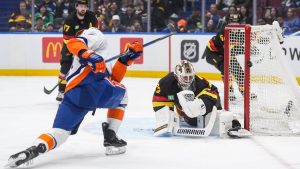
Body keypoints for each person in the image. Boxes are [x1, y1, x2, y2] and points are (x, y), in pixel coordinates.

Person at [5, 27, 143, 168]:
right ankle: (110, 136)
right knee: (123, 95)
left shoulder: (96, 54)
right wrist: (89, 54)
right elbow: (73, 42)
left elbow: (112, 79)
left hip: (72, 95)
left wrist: (124, 61)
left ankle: (33, 150)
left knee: (60, 133)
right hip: (90, 88)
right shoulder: (93, 33)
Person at [152, 60, 250, 138]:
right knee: (191, 120)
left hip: (199, 110)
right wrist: (165, 117)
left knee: (199, 108)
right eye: (185, 78)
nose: (188, 81)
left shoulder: (200, 82)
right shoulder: (165, 83)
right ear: (177, 76)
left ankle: (231, 121)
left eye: (191, 77)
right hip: (183, 112)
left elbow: (214, 91)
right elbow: (158, 100)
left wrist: (216, 111)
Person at [202, 14, 257, 100]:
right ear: (228, 23)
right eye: (232, 22)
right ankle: (229, 91)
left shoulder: (241, 34)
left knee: (239, 72)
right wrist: (246, 50)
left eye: (237, 22)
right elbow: (228, 49)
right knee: (225, 66)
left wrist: (250, 54)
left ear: (240, 23)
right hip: (212, 54)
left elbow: (252, 41)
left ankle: (244, 92)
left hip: (226, 55)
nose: (234, 24)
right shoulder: (223, 32)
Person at [56, 0, 98, 101]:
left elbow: (96, 33)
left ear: (87, 7)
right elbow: (67, 39)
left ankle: (87, 90)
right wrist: (76, 51)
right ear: (76, 7)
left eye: (85, 6)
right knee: (65, 67)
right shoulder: (70, 19)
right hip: (70, 45)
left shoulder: (92, 17)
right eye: (80, 6)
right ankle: (61, 91)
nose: (83, 8)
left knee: (90, 67)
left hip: (87, 46)